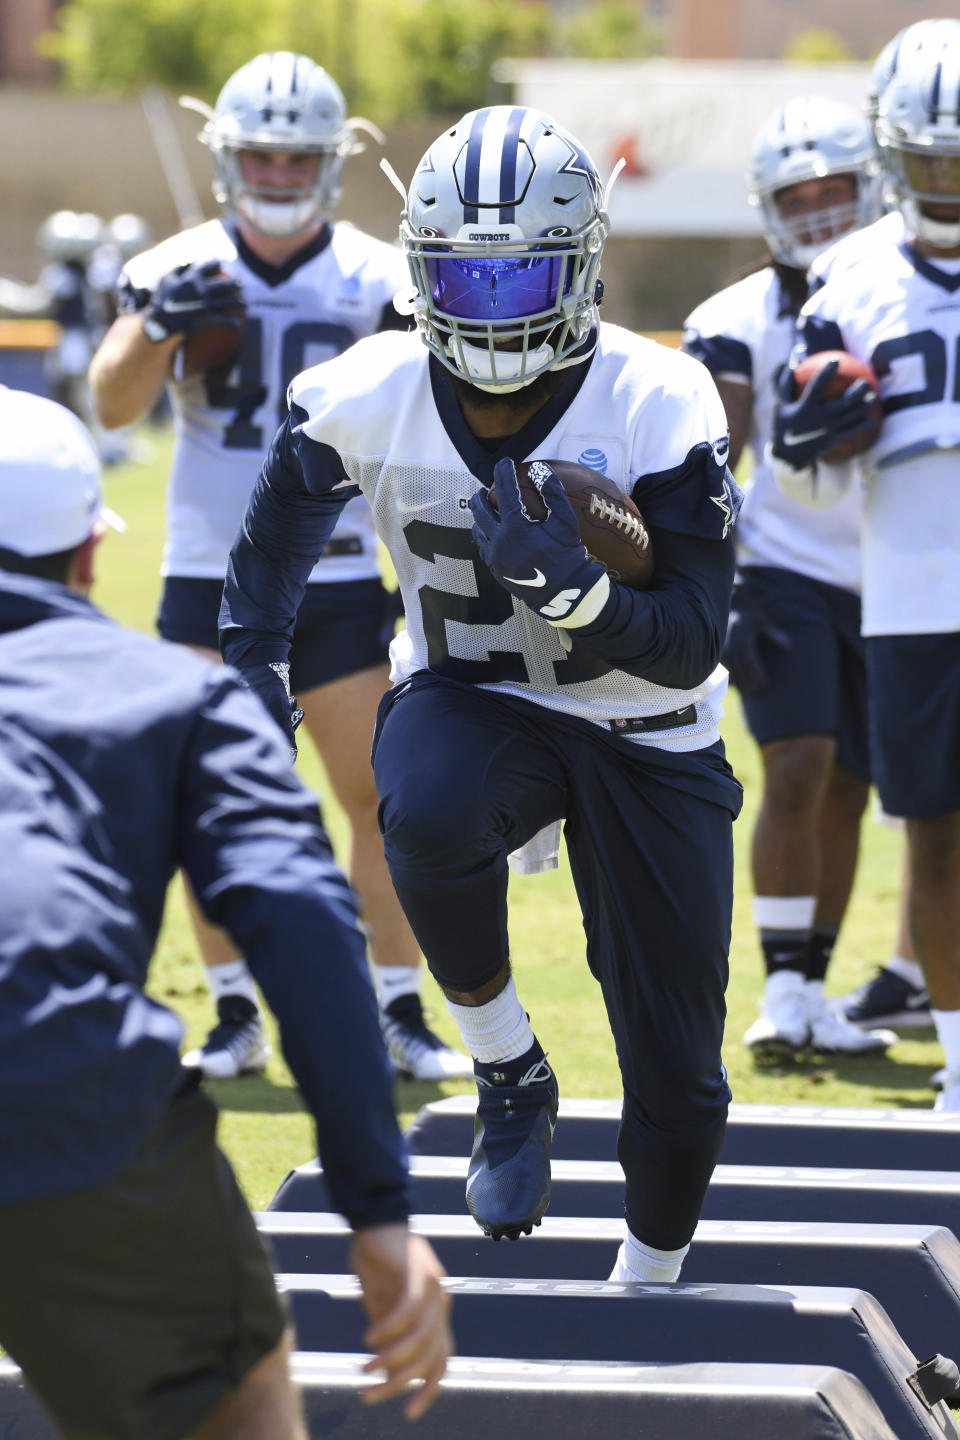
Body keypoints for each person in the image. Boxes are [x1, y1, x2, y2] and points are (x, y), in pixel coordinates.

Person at [220, 105, 743, 1283]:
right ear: (420, 271)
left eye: (522, 282)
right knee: (423, 802)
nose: (491, 307)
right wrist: (254, 673)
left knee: (681, 1073)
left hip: (651, 727)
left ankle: (648, 1286)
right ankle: (507, 1069)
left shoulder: (659, 401)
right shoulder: (364, 389)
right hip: (473, 701)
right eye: (468, 277)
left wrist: (575, 596)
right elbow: (265, 569)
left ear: (581, 268)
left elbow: (691, 637)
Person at [0, 386, 451, 1439]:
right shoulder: (174, 695)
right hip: (54, 1087)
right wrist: (377, 1210)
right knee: (239, 1403)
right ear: (86, 557)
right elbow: (298, 918)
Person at [89, 51, 471, 1083]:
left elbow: (441, 418)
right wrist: (154, 329)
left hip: (336, 567)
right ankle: (231, 1012)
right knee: (212, 805)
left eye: (297, 154)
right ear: (226, 154)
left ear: (330, 158)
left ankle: (397, 1005)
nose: (277, 170)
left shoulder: (379, 272)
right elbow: (111, 406)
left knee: (381, 799)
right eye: (259, 150)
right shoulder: (173, 265)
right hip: (207, 573)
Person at [682, 97, 899, 1060]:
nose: (816, 211)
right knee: (800, 763)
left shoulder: (911, 288)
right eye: (795, 195)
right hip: (786, 569)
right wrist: (709, 583)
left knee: (853, 785)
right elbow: (707, 460)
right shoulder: (730, 318)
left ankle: (814, 987)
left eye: (834, 189)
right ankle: (780, 990)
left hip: (902, 575)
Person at [768, 35, 960, 1111]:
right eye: (930, 162)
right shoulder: (851, 275)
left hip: (918, 596)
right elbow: (813, 497)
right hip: (913, 595)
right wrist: (805, 443)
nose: (946, 183)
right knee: (932, 829)